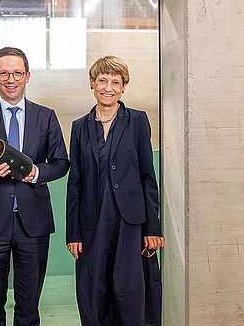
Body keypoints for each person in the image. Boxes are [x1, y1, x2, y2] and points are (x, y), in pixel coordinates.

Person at [0, 47, 69, 326]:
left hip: (34, 222)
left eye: (17, 73)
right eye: (4, 73)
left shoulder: (47, 116)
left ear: (27, 76)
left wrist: (35, 172)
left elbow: (61, 163)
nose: (11, 79)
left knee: (29, 308)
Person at [66, 56, 164, 325]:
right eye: (102, 80)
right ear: (92, 83)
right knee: (93, 290)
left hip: (130, 221)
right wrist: (72, 232)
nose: (108, 87)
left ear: (123, 87)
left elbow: (147, 176)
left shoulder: (138, 121)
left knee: (129, 288)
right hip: (92, 222)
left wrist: (153, 228)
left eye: (115, 82)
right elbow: (75, 183)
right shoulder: (78, 127)